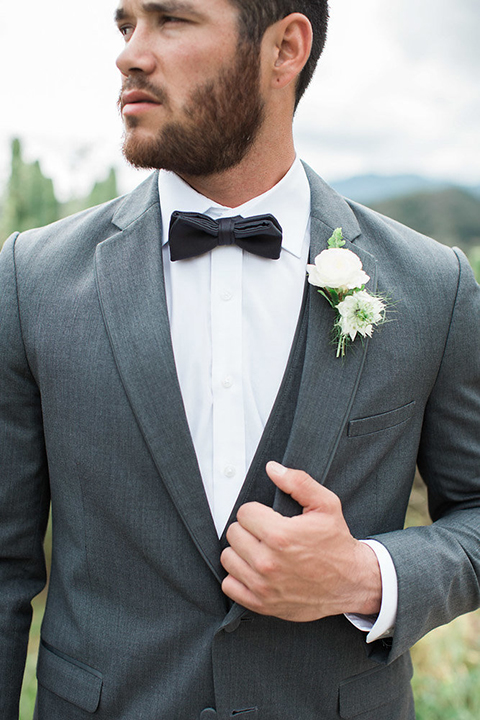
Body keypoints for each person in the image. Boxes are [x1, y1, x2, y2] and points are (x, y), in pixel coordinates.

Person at [1, 0, 479, 718]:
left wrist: (366, 575)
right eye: (126, 24)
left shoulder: (432, 286)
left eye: (172, 20)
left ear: (285, 48)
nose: (130, 53)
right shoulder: (30, 280)